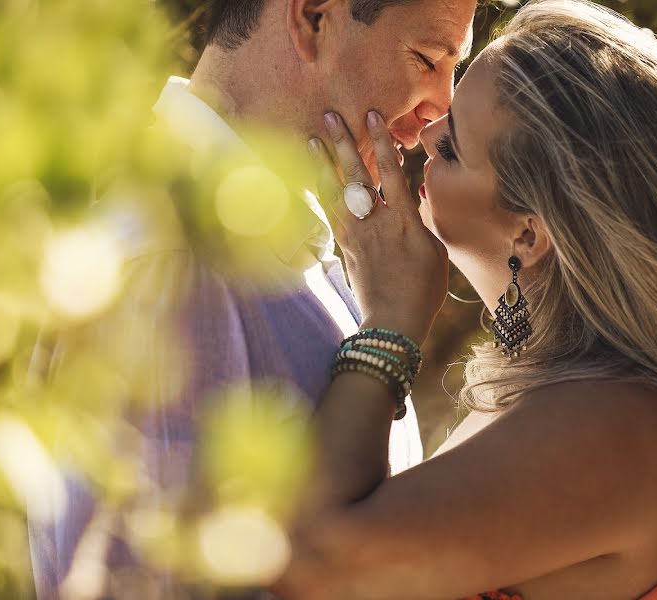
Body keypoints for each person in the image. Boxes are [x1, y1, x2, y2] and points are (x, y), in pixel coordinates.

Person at [271, 0, 657, 598]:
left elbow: (310, 564)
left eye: (453, 148)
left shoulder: (614, 427)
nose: (425, 132)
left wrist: (390, 325)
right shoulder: (565, 395)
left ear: (528, 230)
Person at [27, 0, 475, 597]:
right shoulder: (172, 263)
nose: (439, 113)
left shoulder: (287, 240)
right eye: (426, 59)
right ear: (314, 19)